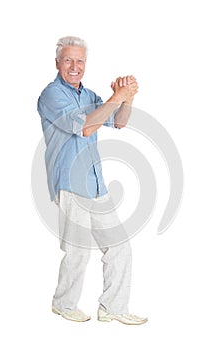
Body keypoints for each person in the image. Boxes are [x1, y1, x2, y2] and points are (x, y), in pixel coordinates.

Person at [37, 36, 147, 325]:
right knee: (78, 251)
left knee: (119, 246)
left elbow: (119, 121)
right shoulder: (51, 95)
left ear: (86, 63)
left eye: (80, 60)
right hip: (70, 183)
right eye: (69, 60)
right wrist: (115, 98)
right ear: (58, 63)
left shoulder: (90, 96)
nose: (75, 66)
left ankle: (113, 307)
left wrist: (128, 97)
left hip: (95, 182)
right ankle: (63, 303)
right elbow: (85, 128)